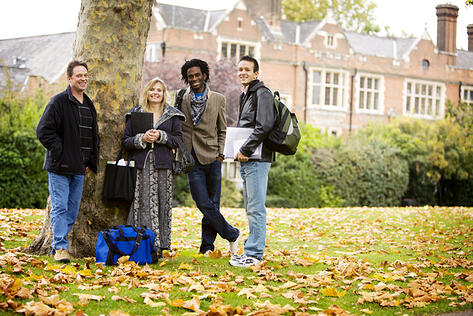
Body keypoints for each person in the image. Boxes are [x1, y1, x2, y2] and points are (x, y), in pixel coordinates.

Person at [36, 60, 99, 263]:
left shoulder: (88, 105)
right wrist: (61, 151)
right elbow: (43, 131)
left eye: (85, 75)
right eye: (78, 75)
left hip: (80, 168)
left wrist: (90, 161)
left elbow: (91, 136)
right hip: (60, 167)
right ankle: (60, 248)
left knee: (71, 210)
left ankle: (61, 244)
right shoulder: (58, 102)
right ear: (69, 78)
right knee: (60, 208)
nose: (83, 78)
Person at [179, 59, 239, 255]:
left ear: (204, 75)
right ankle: (231, 233)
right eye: (190, 76)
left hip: (213, 156)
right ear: (187, 79)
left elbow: (222, 129)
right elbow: (176, 126)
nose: (194, 79)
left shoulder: (218, 99)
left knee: (212, 203)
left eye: (197, 75)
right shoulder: (181, 97)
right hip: (191, 158)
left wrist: (221, 153)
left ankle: (207, 246)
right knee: (202, 202)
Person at [121, 77, 185, 259]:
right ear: (147, 92)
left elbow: (178, 140)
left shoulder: (172, 115)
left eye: (159, 90)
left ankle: (161, 245)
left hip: (163, 166)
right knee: (142, 204)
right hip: (141, 167)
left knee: (162, 204)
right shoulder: (136, 114)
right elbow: (125, 141)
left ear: (164, 94)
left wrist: (161, 136)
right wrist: (141, 138)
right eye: (152, 89)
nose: (155, 93)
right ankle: (141, 245)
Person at [229, 55, 276, 268]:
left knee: (256, 207)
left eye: (247, 69)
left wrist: (244, 149)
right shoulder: (246, 95)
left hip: (257, 158)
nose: (243, 72)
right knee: (250, 207)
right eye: (240, 69)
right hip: (248, 158)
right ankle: (251, 248)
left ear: (256, 73)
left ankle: (254, 254)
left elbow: (264, 125)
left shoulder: (262, 93)